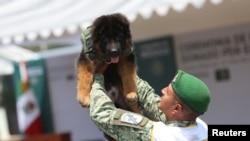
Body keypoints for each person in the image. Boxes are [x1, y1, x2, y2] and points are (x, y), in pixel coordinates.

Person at [89, 69, 211, 141]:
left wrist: (98, 76)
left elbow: (101, 115)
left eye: (167, 92)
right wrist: (124, 70)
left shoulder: (162, 135)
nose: (162, 90)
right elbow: (149, 99)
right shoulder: (201, 128)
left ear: (177, 108)